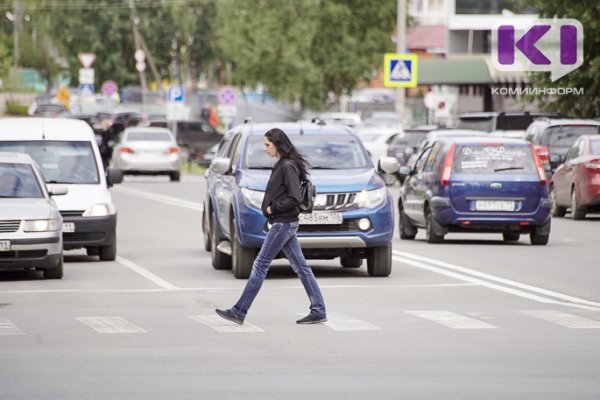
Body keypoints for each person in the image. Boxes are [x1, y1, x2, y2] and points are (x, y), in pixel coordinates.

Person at [215, 128, 327, 325]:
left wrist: (271, 208)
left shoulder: (287, 166)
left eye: (268, 145)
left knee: (260, 265)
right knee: (301, 267)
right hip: (285, 222)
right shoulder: (283, 164)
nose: (265, 149)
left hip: (283, 223)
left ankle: (239, 311)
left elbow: (295, 198)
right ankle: (318, 309)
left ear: (277, 143)